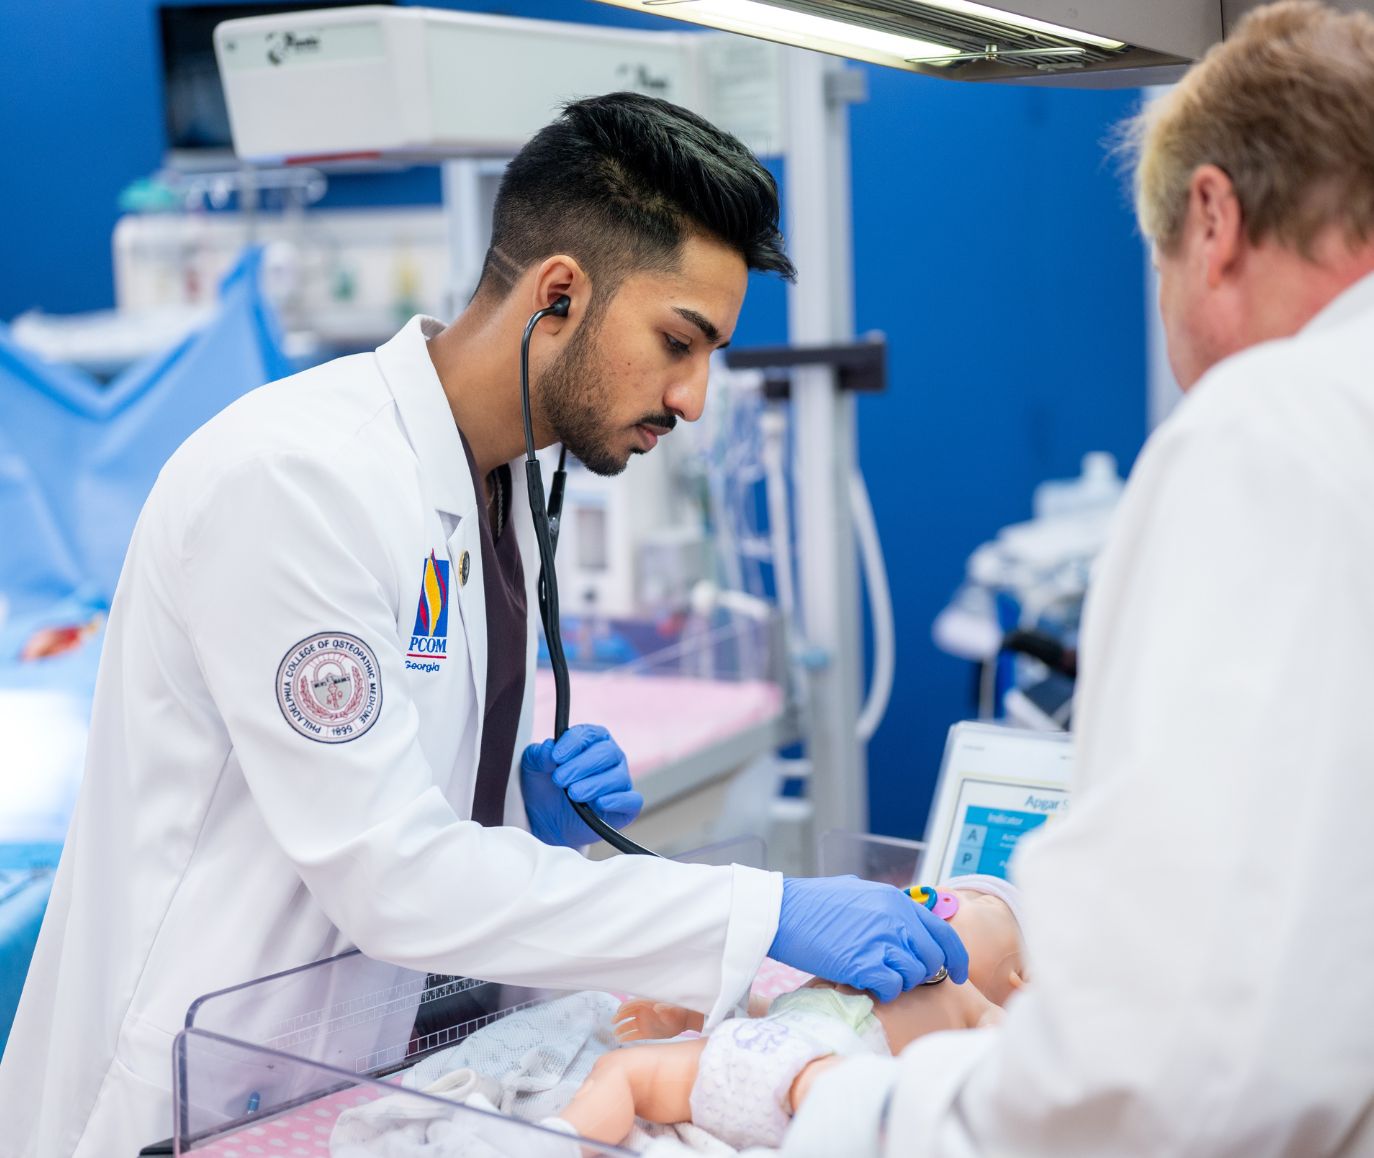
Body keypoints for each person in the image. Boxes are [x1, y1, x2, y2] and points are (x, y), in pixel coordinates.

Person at [0, 93, 967, 1157]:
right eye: (679, 343)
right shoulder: (295, 483)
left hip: (342, 1085)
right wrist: (765, 909)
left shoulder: (492, 489)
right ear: (560, 292)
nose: (695, 398)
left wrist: (510, 814)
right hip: (182, 1102)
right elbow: (392, 878)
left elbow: (395, 821)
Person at [776, 3, 1374, 1154]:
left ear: (1212, 219)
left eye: (1158, 269)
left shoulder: (1276, 420)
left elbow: (1154, 1079)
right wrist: (1015, 914)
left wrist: (837, 1104)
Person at [551, 877, 1024, 1151]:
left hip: (825, 1074)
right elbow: (771, 1011)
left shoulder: (969, 1002)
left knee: (859, 1109)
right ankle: (557, 1140)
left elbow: (1023, 1059)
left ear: (1015, 980)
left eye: (975, 901)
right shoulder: (854, 966)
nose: (935, 895)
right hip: (743, 1054)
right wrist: (687, 1017)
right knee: (621, 1070)